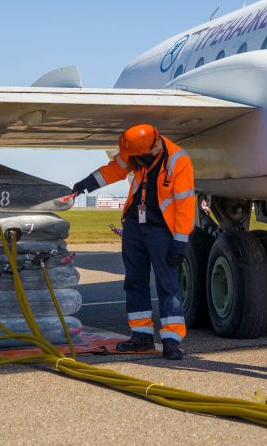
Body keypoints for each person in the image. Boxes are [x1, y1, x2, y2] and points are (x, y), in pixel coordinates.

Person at [72, 124, 195, 360]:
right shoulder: (136, 152)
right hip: (135, 225)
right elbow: (114, 169)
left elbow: (185, 204)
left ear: (151, 149)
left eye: (136, 157)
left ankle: (171, 340)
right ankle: (141, 337)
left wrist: (180, 241)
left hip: (162, 230)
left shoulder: (178, 160)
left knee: (167, 284)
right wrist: (86, 184)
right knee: (135, 281)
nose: (131, 161)